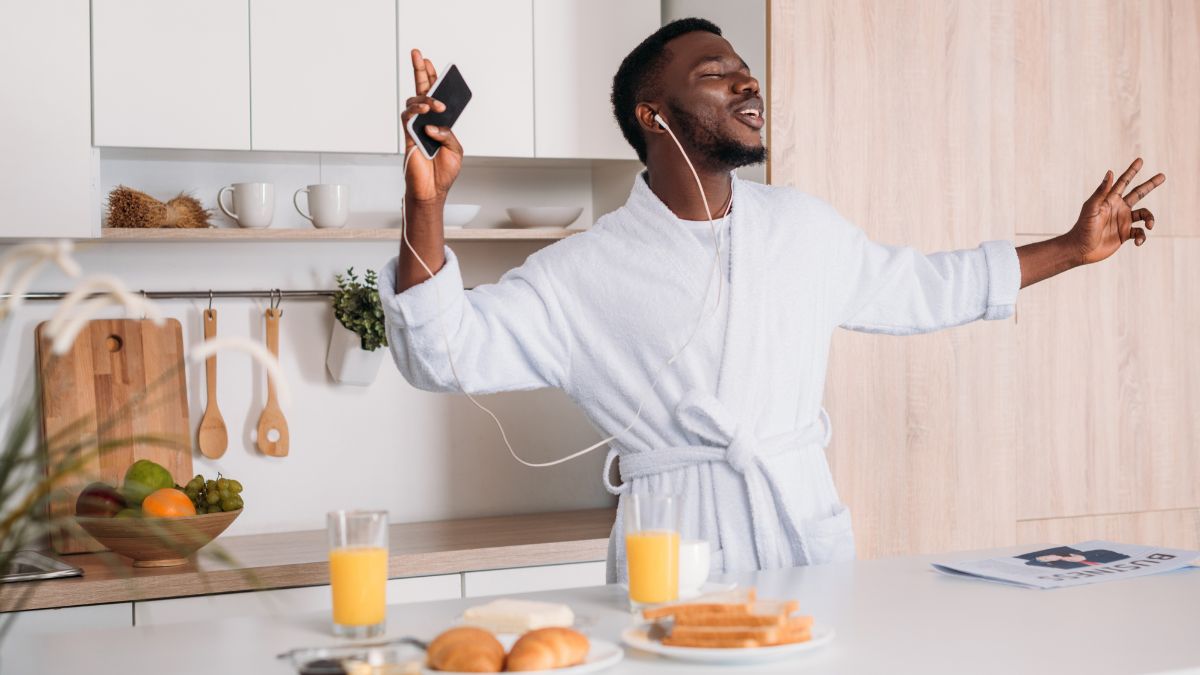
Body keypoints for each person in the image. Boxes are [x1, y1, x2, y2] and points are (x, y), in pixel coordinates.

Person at [379, 19, 1166, 582]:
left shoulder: (801, 225)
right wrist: (427, 204)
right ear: (651, 116)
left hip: (800, 533)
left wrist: (1069, 247)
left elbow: (924, 287)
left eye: (744, 69)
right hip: (674, 545)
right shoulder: (582, 271)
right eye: (714, 73)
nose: (746, 81)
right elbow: (442, 351)